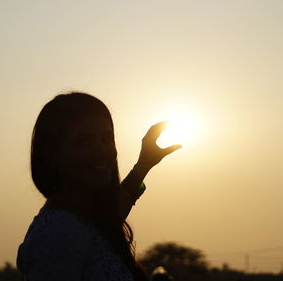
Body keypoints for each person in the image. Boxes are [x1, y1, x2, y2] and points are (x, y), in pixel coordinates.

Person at [16, 92, 181, 281]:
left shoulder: (88, 220)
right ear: (51, 155)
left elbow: (114, 211)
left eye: (106, 139)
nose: (101, 152)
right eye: (83, 142)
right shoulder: (57, 232)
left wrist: (144, 165)